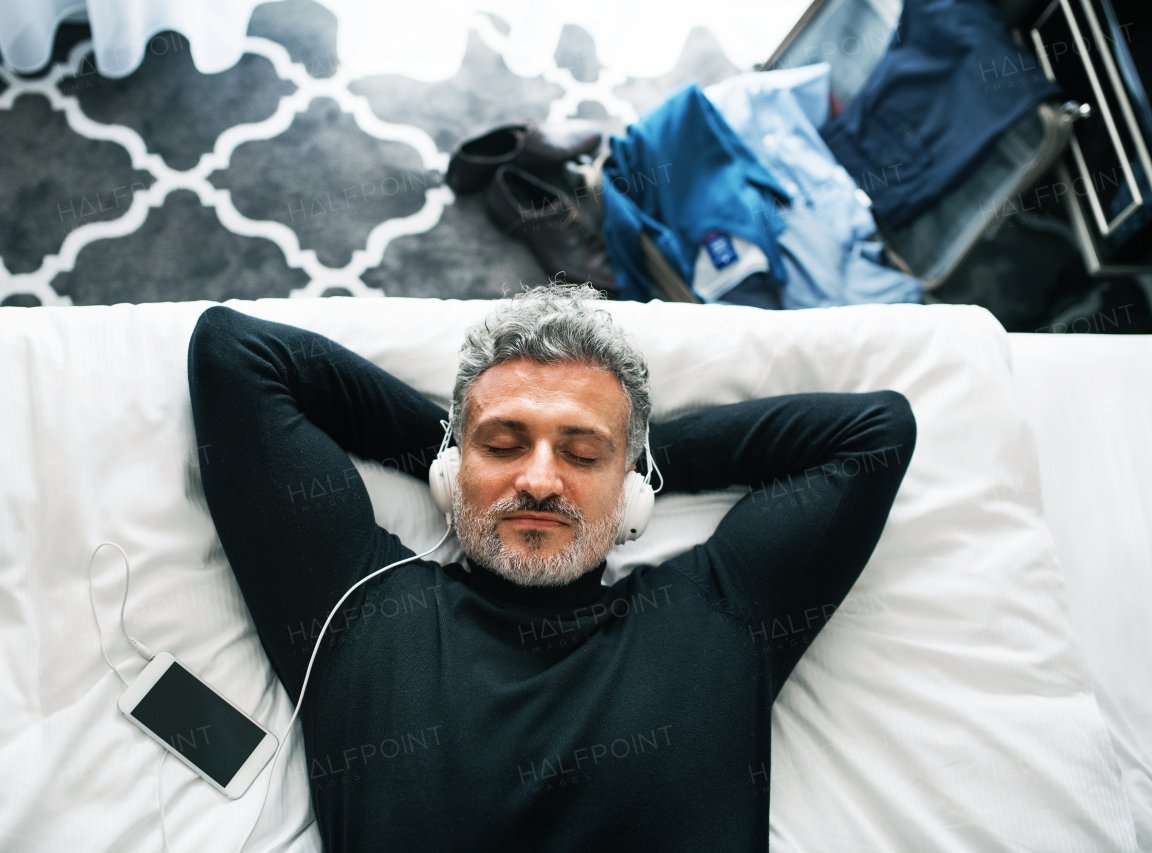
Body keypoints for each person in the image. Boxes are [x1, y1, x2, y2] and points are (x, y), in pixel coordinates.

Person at [187, 284, 916, 852]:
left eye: (582, 451)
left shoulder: (718, 615)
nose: (538, 479)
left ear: (632, 488)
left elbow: (873, 435)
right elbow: (236, 355)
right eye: (504, 443)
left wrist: (638, 459)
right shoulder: (357, 606)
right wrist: (453, 445)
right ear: (449, 472)